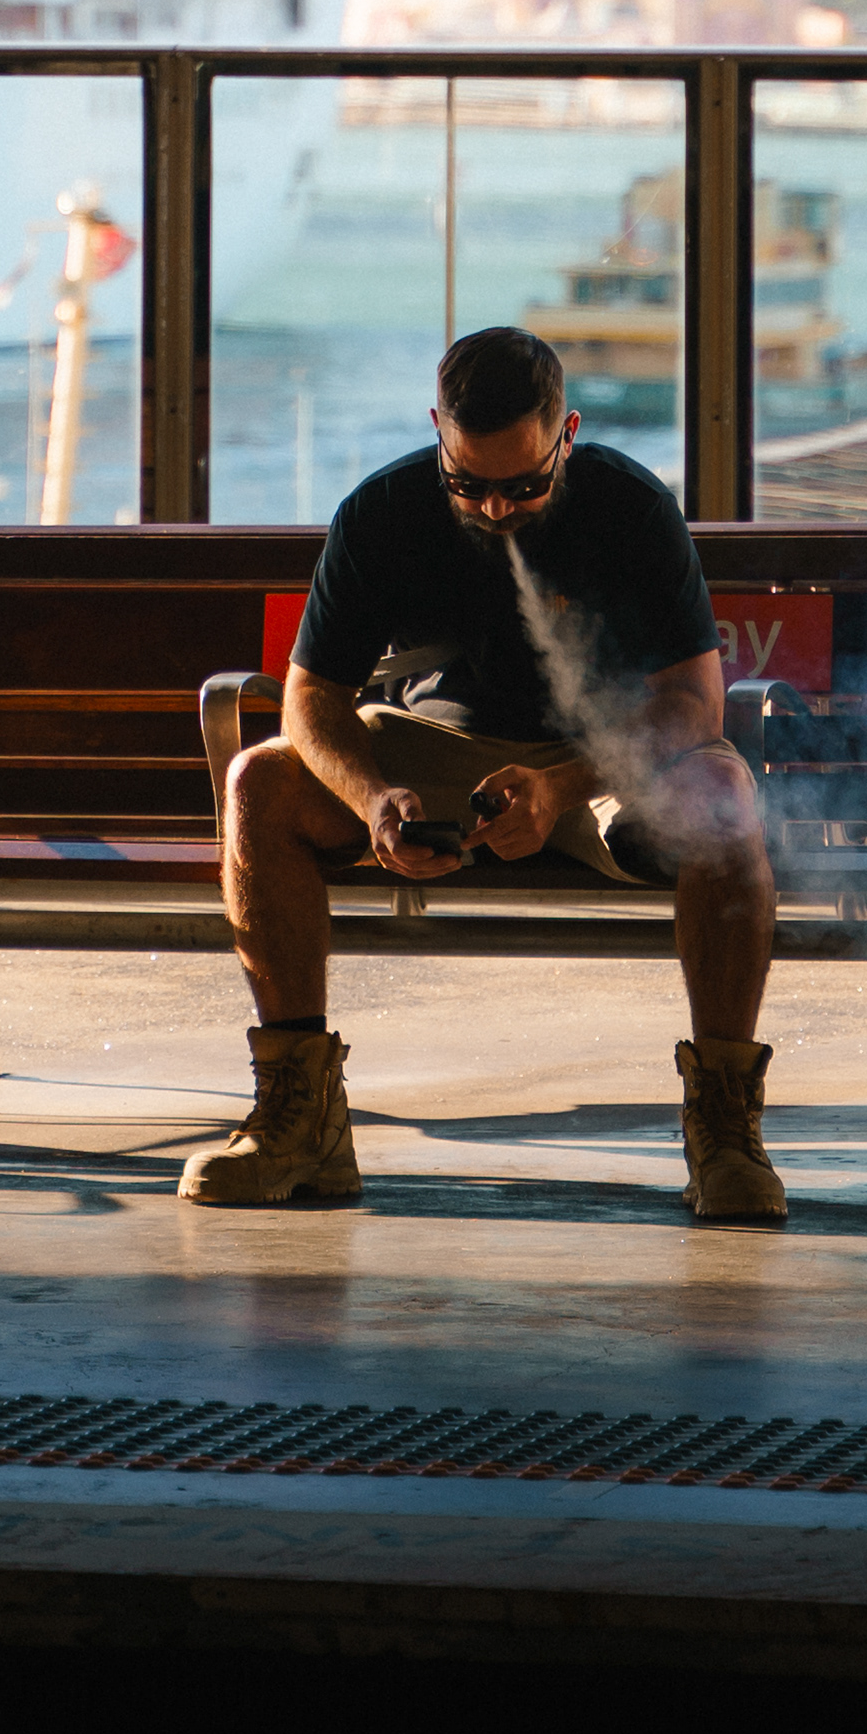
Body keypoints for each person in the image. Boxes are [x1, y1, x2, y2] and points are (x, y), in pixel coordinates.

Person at [181, 321, 785, 1223]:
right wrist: (373, 797)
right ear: (437, 429)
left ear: (567, 434)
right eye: (468, 484)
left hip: (602, 758)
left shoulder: (631, 506)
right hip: (437, 749)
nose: (497, 508)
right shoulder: (381, 512)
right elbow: (310, 698)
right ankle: (296, 1122)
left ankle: (727, 1132)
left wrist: (560, 786)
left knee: (722, 797)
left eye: (525, 485)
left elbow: (695, 705)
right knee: (260, 782)